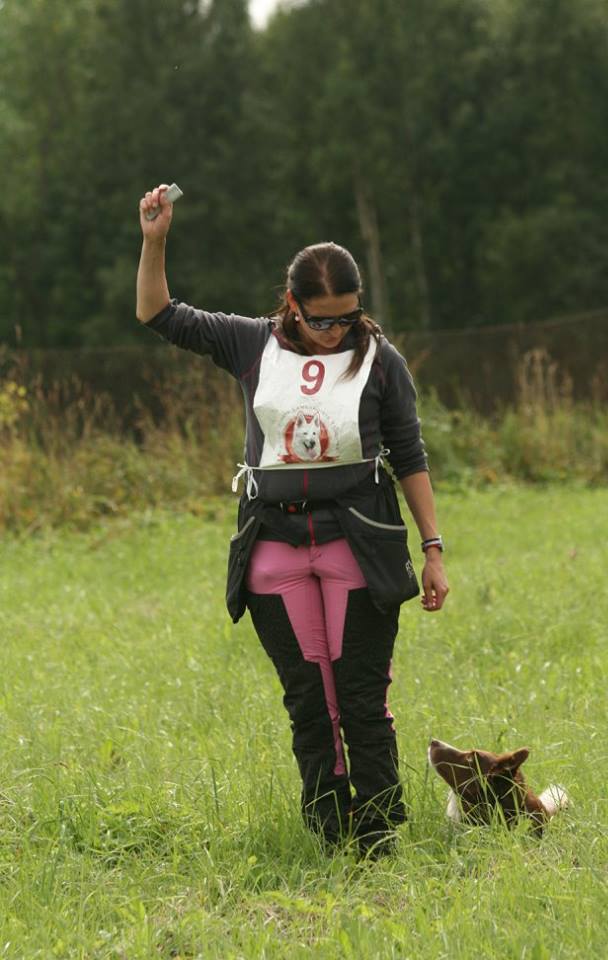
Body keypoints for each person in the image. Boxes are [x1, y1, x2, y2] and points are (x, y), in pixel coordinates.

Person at [136, 184, 449, 858]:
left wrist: (433, 548)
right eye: (321, 321)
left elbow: (410, 455)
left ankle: (379, 833)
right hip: (274, 546)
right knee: (310, 700)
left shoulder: (381, 361)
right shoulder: (252, 344)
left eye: (348, 318)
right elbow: (159, 313)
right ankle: (331, 834)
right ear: (292, 304)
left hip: (357, 544)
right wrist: (155, 241)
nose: (335, 332)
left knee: (360, 697)